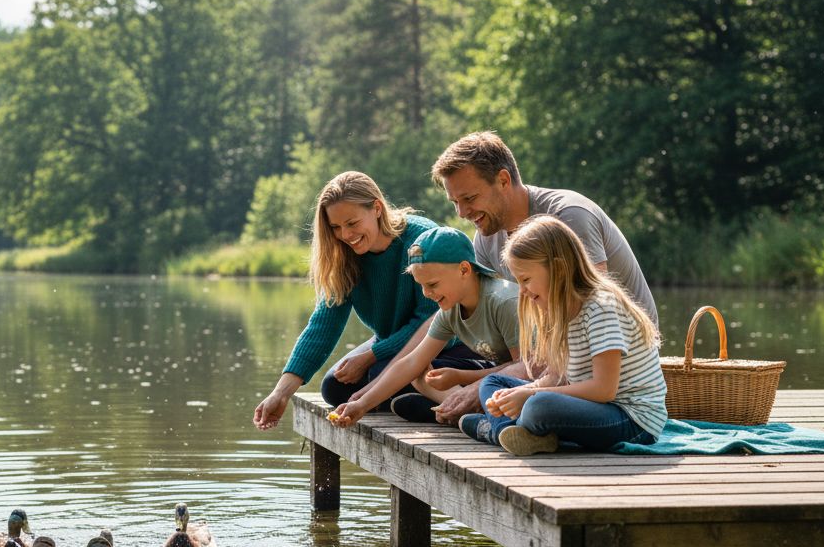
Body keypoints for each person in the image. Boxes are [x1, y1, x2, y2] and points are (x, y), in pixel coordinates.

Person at [428, 131, 658, 421]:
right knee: (486, 383)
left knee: (508, 394)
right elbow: (501, 322)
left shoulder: (569, 216)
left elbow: (587, 308)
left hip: (608, 362)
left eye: (469, 198)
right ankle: (486, 413)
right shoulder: (485, 239)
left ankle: (490, 414)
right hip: (551, 358)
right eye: (454, 202)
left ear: (502, 180)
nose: (462, 212)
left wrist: (479, 387)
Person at [252, 172, 490, 430]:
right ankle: (421, 403)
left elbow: (431, 321)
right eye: (335, 227)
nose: (345, 234)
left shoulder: (421, 241)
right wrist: (281, 392)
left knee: (377, 375)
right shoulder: (345, 256)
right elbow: (323, 326)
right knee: (334, 388)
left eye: (352, 223)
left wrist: (370, 356)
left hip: (448, 343)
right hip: (390, 343)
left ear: (377, 208)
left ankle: (445, 401)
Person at [462, 215, 667, 456]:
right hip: (592, 406)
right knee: (494, 383)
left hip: (630, 419)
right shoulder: (557, 308)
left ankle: (499, 430)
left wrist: (531, 394)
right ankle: (513, 433)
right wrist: (516, 394)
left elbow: (604, 390)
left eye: (526, 280)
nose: (523, 291)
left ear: (558, 269)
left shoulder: (602, 307)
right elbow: (556, 378)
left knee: (539, 406)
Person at [328, 226, 520, 427]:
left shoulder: (503, 302)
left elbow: (526, 368)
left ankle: (471, 413)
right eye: (421, 285)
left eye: (433, 284)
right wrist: (361, 405)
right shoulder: (450, 309)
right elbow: (412, 362)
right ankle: (466, 411)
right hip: (495, 380)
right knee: (423, 374)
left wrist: (466, 377)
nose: (426, 293)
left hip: (529, 382)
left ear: (464, 269)